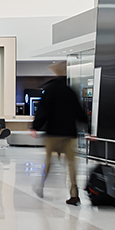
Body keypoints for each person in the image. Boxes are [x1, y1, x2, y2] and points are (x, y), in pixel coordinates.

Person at [31, 62, 89, 205]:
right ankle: (74, 194)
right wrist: (88, 130)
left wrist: (35, 126)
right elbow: (79, 112)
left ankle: (41, 185)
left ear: (55, 74)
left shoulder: (50, 89)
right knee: (71, 164)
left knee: (48, 162)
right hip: (69, 134)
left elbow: (43, 110)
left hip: (53, 133)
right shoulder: (70, 91)